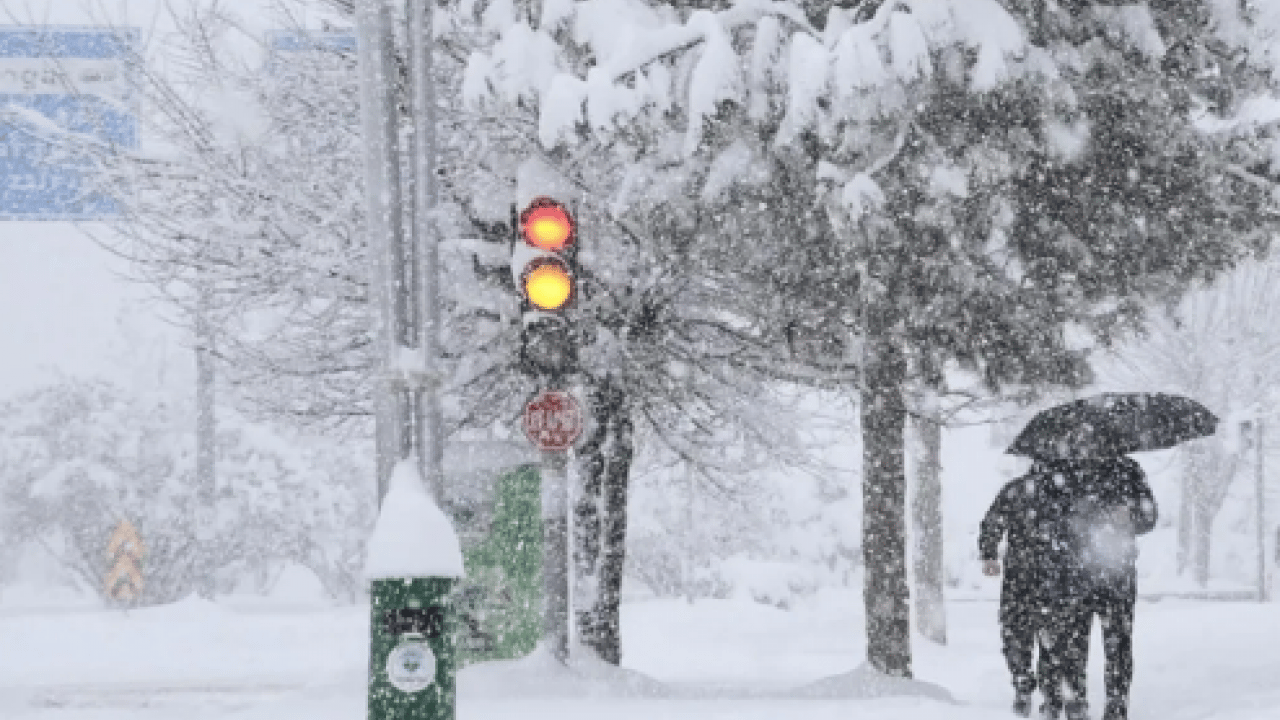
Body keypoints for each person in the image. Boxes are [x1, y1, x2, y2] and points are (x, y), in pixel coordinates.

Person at [1036, 457, 1157, 720]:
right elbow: (1041, 519)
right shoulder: (1060, 471)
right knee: (1073, 648)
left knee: (1118, 648)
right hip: (1073, 576)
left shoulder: (1130, 470)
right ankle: (1077, 708)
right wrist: (1072, 518)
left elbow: (1149, 517)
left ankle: (1116, 710)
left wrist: (1129, 516)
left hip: (1117, 576)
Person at [979, 462, 1060, 718]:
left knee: (1016, 633)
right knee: (1052, 637)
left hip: (1020, 575)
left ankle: (1024, 682)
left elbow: (992, 522)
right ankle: (1047, 691)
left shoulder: (1015, 490)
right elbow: (993, 522)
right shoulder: (1065, 493)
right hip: (1054, 576)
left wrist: (990, 553)